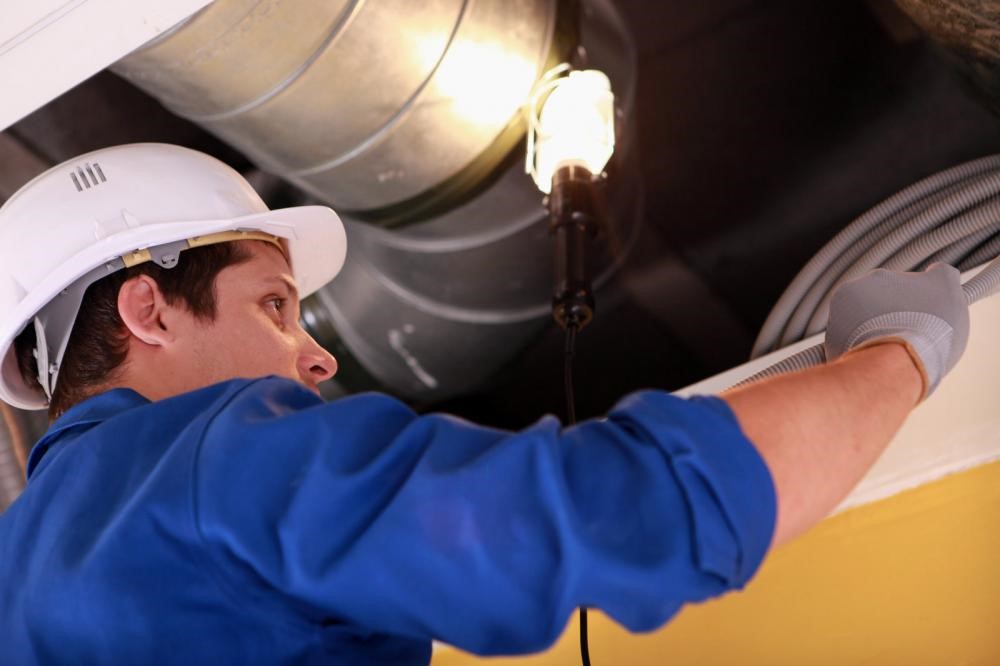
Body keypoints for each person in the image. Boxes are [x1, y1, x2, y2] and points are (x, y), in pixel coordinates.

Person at [0, 143, 969, 665]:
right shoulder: (210, 456)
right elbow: (635, 514)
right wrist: (899, 355)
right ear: (147, 307)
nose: (316, 356)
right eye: (277, 305)